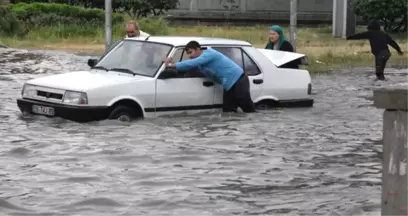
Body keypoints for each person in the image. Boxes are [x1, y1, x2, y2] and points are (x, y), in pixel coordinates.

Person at [164, 40, 256, 113]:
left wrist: (172, 65)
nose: (189, 56)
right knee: (228, 111)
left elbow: (192, 63)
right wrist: (170, 69)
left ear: (198, 49)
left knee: (247, 108)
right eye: (187, 53)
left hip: (239, 79)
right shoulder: (200, 64)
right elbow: (188, 68)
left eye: (190, 52)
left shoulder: (209, 54)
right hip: (228, 85)